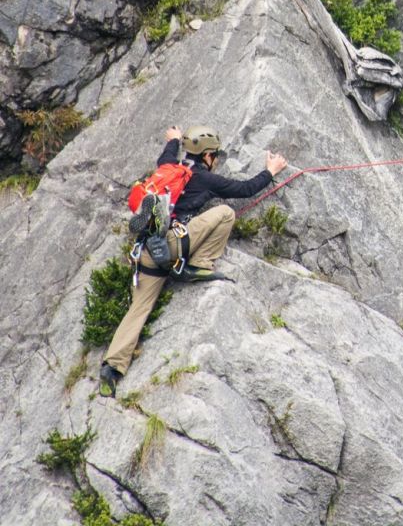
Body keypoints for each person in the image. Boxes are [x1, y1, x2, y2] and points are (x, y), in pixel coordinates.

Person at [98, 124, 288, 397]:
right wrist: (271, 170)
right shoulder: (205, 179)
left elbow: (166, 154)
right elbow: (245, 189)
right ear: (208, 156)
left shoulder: (168, 168)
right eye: (215, 156)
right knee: (224, 212)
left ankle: (112, 368)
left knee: (138, 310)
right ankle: (200, 265)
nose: (217, 160)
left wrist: (175, 140)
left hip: (147, 254)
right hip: (175, 246)